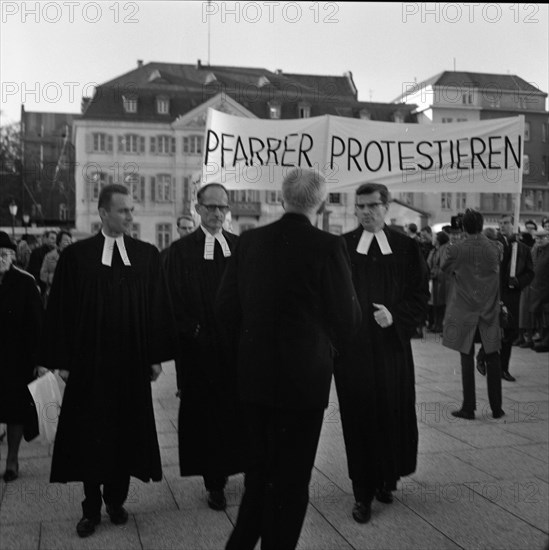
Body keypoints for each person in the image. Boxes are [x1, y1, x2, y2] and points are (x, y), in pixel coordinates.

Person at [216, 168, 361, 550]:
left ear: (282, 199)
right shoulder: (329, 247)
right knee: (292, 479)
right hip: (304, 380)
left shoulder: (249, 242)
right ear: (322, 202)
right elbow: (348, 318)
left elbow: (225, 308)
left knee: (258, 473)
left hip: (254, 375)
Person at [43, 184, 175, 538]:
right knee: (90, 435)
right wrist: (63, 361)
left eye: (132, 210)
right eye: (124, 211)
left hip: (131, 366)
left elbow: (157, 309)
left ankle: (116, 501)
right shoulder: (77, 258)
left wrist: (154, 356)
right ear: (103, 213)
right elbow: (62, 311)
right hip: (89, 366)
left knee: (125, 433)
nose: (131, 217)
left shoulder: (147, 255)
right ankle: (90, 508)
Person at [334, 183, 428, 524]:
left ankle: (388, 479)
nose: (365, 212)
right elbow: (329, 294)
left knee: (392, 413)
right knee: (359, 419)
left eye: (372, 206)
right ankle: (362, 493)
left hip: (391, 350)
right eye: (360, 206)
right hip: (354, 352)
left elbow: (420, 294)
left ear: (386, 206)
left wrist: (396, 317)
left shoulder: (405, 247)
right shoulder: (342, 246)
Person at [165, 183, 242, 512]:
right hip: (200, 352)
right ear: (197, 209)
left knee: (241, 413)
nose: (216, 213)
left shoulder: (240, 247)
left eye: (222, 208)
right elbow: (170, 301)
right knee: (208, 417)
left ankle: (246, 467)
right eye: (210, 207)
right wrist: (192, 330)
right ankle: (215, 482)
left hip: (238, 349)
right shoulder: (180, 252)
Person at [442, 209, 504, 420]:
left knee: (466, 356)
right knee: (493, 356)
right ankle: (497, 407)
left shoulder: (456, 249)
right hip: (489, 308)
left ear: (463, 226)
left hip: (465, 309)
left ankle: (469, 407)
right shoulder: (494, 247)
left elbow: (444, 268)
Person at [0, 231, 43, 482]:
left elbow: (37, 323)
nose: (0, 258)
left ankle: (12, 459)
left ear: (12, 256)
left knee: (15, 411)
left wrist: (40, 359)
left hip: (16, 358)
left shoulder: (25, 282)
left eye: (4, 254)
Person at [494, 214, 534, 381]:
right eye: (500, 223)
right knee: (494, 332)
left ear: (513, 225)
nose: (502, 226)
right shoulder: (495, 245)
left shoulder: (523, 249)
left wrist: (517, 281)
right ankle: (486, 360)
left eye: (506, 223)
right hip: (495, 293)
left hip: (512, 295)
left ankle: (504, 368)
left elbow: (530, 272)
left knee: (509, 332)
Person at [40, 230, 72, 307]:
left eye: (70, 240)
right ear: (59, 242)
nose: (69, 242)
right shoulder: (49, 256)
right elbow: (42, 275)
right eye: (66, 240)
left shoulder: (74, 257)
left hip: (70, 293)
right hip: (53, 291)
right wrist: (53, 277)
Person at [529, 228, 549, 353]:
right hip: (536, 288)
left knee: (547, 316)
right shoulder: (535, 250)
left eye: (542, 238)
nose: (539, 240)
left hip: (546, 289)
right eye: (537, 238)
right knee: (538, 315)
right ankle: (542, 337)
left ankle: (546, 341)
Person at [428, 231, 450, 333]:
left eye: (435, 238)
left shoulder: (444, 249)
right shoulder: (437, 249)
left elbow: (443, 265)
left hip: (442, 280)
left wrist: (433, 273)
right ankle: (437, 324)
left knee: (441, 304)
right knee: (437, 304)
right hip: (437, 280)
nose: (433, 239)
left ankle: (439, 325)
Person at [27, 230, 57, 297]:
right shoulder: (37, 252)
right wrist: (36, 285)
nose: (55, 240)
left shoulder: (58, 253)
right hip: (42, 287)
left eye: (56, 238)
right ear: (46, 239)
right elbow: (33, 271)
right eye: (52, 238)